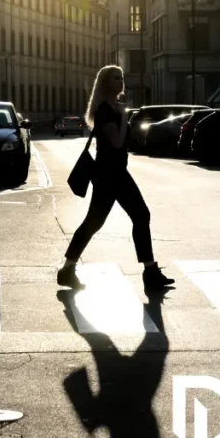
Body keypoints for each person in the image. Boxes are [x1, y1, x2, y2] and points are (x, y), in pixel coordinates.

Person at [57, 65, 175, 291]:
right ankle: (149, 272)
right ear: (105, 83)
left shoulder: (113, 108)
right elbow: (117, 142)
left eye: (121, 78)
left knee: (97, 221)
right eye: (115, 78)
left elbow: (122, 141)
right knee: (137, 215)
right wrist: (123, 118)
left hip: (114, 172)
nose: (121, 81)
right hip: (110, 174)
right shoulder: (104, 110)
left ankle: (68, 269)